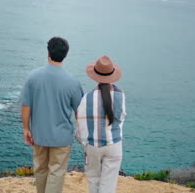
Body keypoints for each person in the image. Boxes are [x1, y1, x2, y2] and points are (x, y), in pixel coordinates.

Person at [20, 37, 83, 193]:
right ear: (65, 55)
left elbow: (26, 105)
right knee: (57, 172)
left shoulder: (32, 77)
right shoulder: (73, 82)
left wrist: (26, 128)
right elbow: (79, 111)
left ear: (48, 52)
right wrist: (81, 131)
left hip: (38, 134)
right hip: (62, 137)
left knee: (40, 169)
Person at [76, 55, 126, 193]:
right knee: (108, 185)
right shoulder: (120, 95)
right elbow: (121, 119)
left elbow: (81, 124)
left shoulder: (87, 97)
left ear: (95, 75)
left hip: (93, 146)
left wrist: (84, 142)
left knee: (93, 180)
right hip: (114, 145)